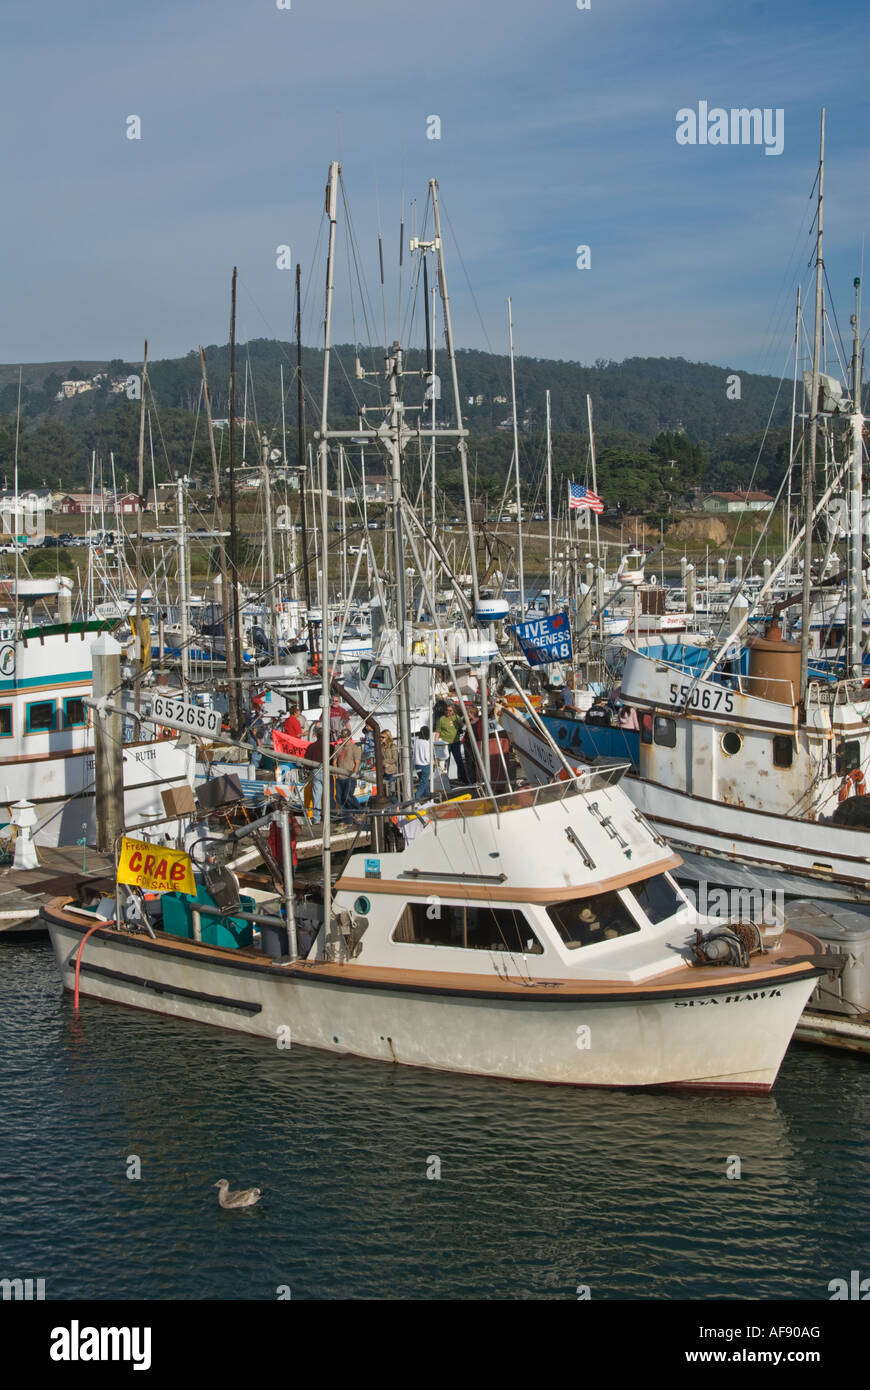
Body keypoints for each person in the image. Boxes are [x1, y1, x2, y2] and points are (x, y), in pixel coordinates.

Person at [437, 702, 468, 784]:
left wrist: (461, 723)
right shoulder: (441, 719)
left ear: (454, 711)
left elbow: (463, 727)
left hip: (455, 742)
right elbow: (437, 733)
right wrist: (435, 745)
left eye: (450, 711)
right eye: (447, 710)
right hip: (446, 744)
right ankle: (445, 780)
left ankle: (463, 779)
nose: (448, 712)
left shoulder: (456, 717)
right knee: (446, 762)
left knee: (459, 761)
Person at [335, 724, 361, 810]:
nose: (343, 739)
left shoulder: (354, 748)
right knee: (339, 799)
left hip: (349, 776)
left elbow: (357, 763)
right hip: (339, 777)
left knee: (347, 797)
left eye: (344, 737)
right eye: (342, 737)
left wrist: (353, 775)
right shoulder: (338, 747)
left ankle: (361, 811)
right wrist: (336, 773)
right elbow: (334, 761)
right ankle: (346, 818)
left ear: (349, 737)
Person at [414, 726, 432, 800]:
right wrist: (431, 762)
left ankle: (428, 795)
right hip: (425, 765)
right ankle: (416, 799)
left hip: (417, 765)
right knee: (423, 783)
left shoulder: (416, 741)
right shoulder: (426, 743)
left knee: (424, 780)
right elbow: (427, 757)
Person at [381, 729, 399, 800]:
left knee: (392, 791)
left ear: (388, 737)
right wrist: (384, 763)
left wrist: (385, 761)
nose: (381, 739)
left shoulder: (393, 746)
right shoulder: (381, 747)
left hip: (392, 771)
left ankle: (397, 807)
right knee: (385, 791)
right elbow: (379, 759)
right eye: (380, 737)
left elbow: (395, 759)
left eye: (383, 737)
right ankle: (393, 807)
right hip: (384, 771)